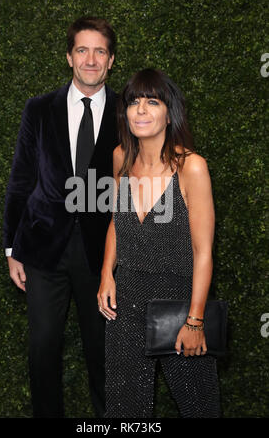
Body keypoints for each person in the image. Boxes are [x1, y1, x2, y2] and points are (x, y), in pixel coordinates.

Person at [3, 16, 118, 418]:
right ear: (69, 58)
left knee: (104, 352)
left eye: (99, 51)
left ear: (111, 60)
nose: (91, 59)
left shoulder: (129, 114)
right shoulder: (38, 109)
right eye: (82, 50)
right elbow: (21, 179)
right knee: (43, 350)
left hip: (102, 254)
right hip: (42, 248)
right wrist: (11, 247)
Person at [97, 68, 221, 418]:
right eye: (134, 102)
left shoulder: (191, 167)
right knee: (124, 411)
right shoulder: (121, 156)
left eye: (152, 102)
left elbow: (203, 252)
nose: (141, 110)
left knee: (200, 408)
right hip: (126, 301)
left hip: (179, 303)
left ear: (170, 113)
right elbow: (117, 223)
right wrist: (107, 273)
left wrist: (195, 321)